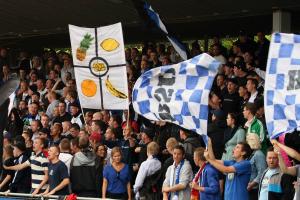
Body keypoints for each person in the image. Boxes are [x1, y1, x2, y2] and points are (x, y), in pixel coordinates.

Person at [247, 133, 267, 200]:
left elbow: (262, 172)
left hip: (254, 188)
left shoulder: (258, 154)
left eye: (247, 141)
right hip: (250, 188)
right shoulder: (252, 154)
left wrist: (252, 184)